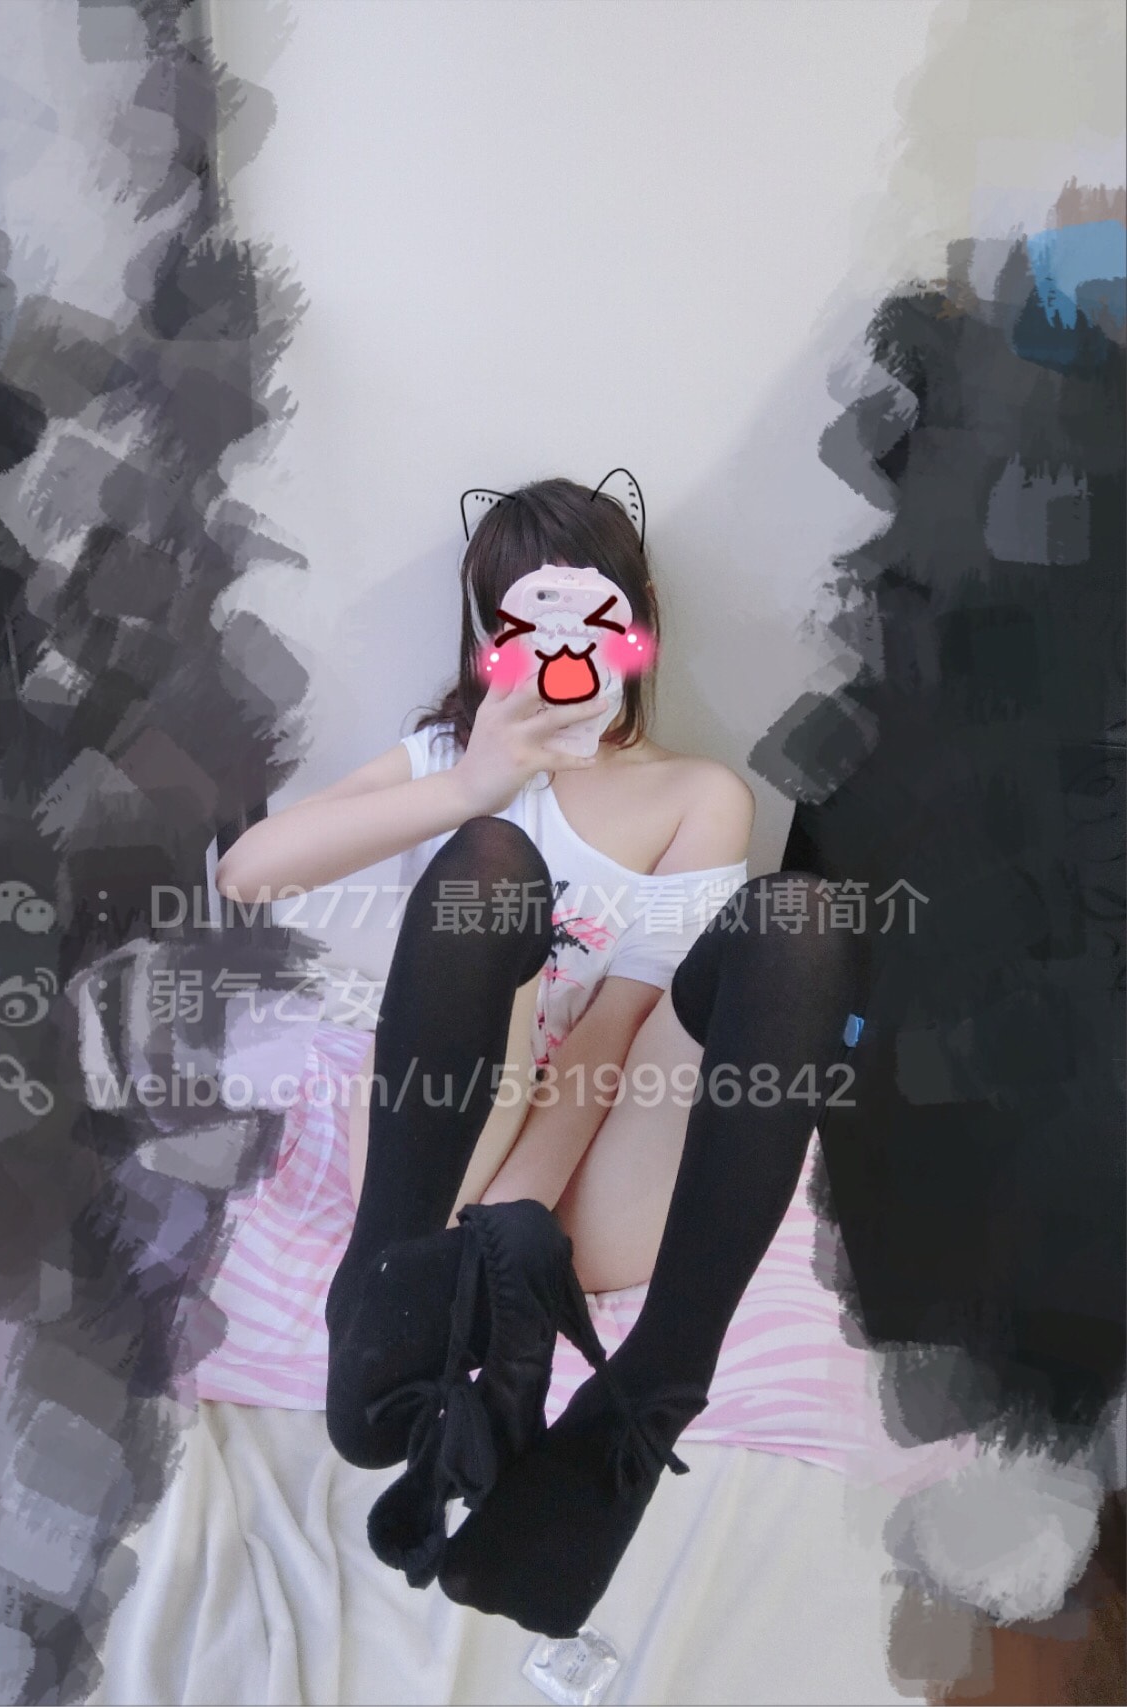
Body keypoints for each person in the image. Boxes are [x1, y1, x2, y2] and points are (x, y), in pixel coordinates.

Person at [207, 475, 870, 1637]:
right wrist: (474, 782)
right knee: (491, 864)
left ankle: (642, 1405)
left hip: (600, 1175)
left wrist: (518, 1231)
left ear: (637, 623)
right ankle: (375, 1293)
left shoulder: (695, 796)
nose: (568, 651)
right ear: (489, 638)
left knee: (800, 918)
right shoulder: (443, 760)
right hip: (436, 1159)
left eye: (595, 615)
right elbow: (245, 876)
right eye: (531, 620)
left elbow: (616, 1033)